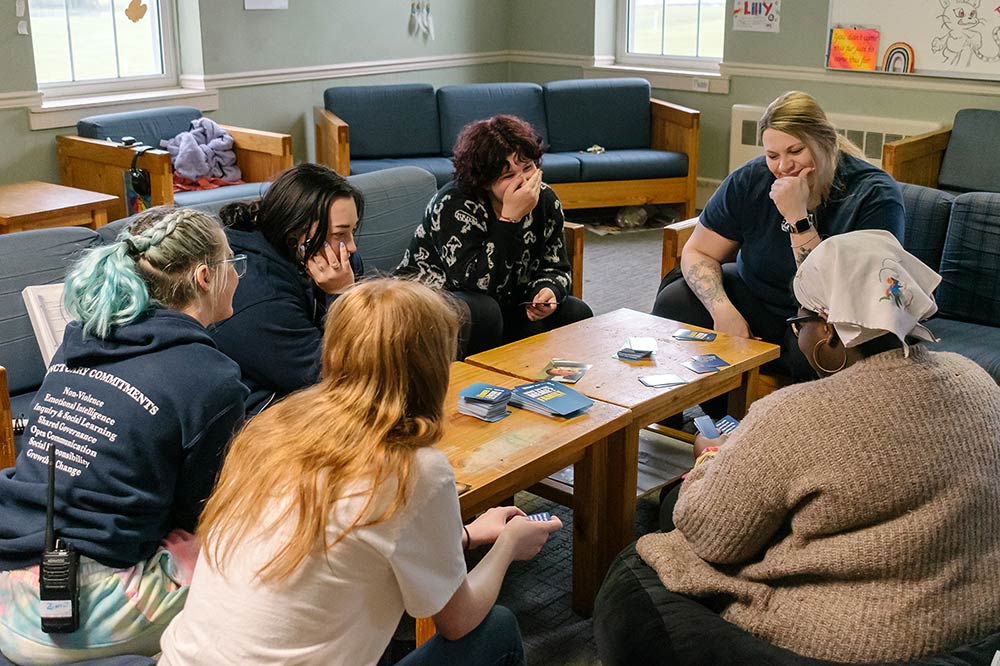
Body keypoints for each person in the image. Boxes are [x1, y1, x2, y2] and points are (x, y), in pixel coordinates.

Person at [595, 230, 1000, 665]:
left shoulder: (795, 413)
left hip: (868, 636)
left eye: (800, 320)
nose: (797, 332)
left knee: (638, 571)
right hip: (973, 613)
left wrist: (711, 458)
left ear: (828, 330)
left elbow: (713, 539)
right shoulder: (975, 376)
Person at [158, 278, 563, 666]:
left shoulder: (270, 429)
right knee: (498, 629)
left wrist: (467, 536)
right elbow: (459, 622)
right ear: (434, 367)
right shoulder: (413, 469)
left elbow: (339, 536)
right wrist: (507, 546)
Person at [0, 207, 248, 665]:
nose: (238, 275)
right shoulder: (210, 379)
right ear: (204, 278)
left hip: (11, 581)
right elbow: (199, 515)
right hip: (80, 614)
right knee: (258, 574)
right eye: (232, 263)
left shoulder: (82, 336)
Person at [652, 91, 905, 380]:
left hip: (831, 317)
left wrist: (797, 220)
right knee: (676, 299)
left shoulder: (874, 194)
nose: (784, 167)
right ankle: (691, 419)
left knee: (817, 353)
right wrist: (723, 311)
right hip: (760, 299)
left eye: (796, 152)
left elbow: (834, 296)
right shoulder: (751, 179)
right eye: (773, 155)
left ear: (827, 143)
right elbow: (699, 251)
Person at [396, 114, 592, 356]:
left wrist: (548, 290)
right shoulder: (454, 204)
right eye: (508, 176)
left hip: (506, 299)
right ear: (485, 181)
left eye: (528, 168)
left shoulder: (545, 200)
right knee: (485, 311)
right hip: (438, 301)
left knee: (575, 311)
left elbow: (557, 267)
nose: (524, 182)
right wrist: (509, 220)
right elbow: (477, 286)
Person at [212, 162, 366, 414]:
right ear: (294, 233)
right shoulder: (256, 292)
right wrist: (342, 297)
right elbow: (334, 375)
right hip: (262, 416)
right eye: (340, 234)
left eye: (352, 231)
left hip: (301, 392)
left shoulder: (336, 264)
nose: (351, 247)